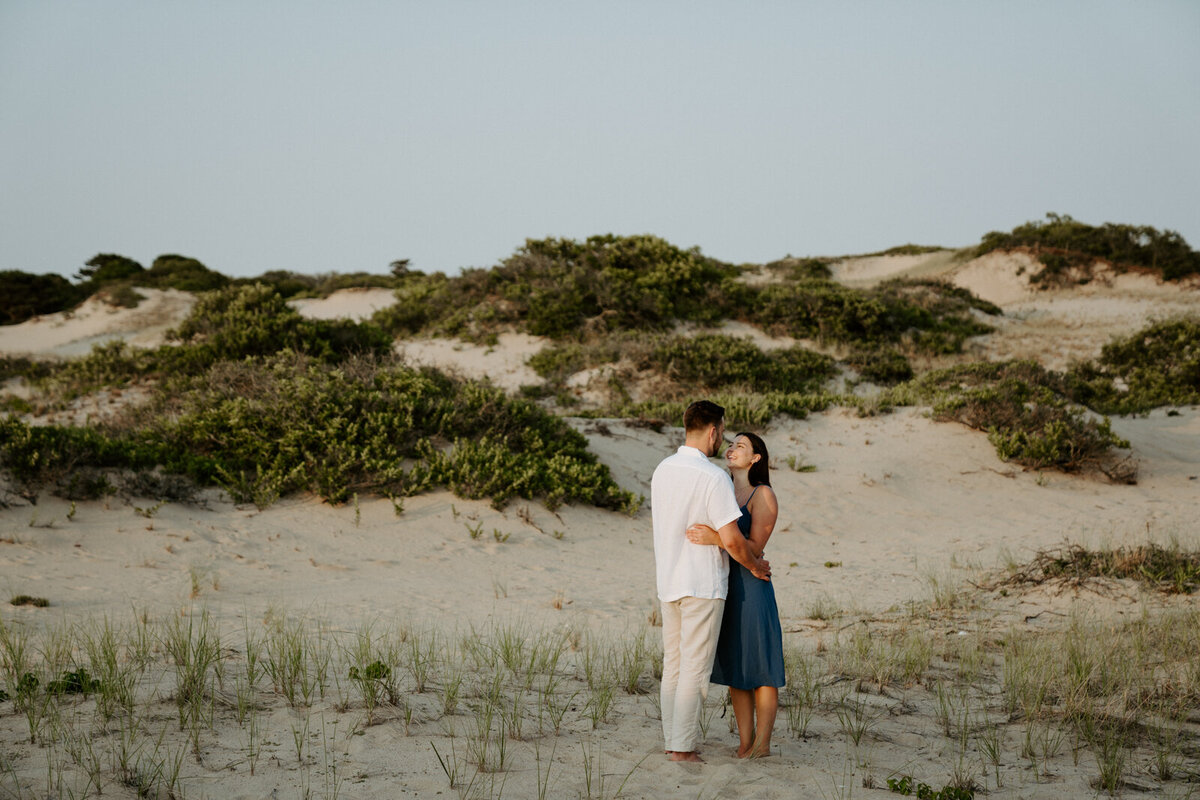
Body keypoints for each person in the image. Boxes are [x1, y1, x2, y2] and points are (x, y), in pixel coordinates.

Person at [651, 401, 771, 763]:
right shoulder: (711, 476)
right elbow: (733, 540)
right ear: (714, 430)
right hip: (702, 583)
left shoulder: (663, 469)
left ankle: (673, 740)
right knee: (695, 668)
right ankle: (683, 748)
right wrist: (755, 566)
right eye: (723, 432)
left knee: (673, 663)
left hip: (668, 579)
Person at [686, 432, 785, 758]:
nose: (731, 449)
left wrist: (717, 538)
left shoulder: (763, 494)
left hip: (753, 587)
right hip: (724, 585)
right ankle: (745, 743)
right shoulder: (722, 489)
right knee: (736, 669)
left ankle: (763, 745)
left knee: (762, 668)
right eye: (731, 444)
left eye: (740, 446)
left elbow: (755, 549)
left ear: (756, 458)